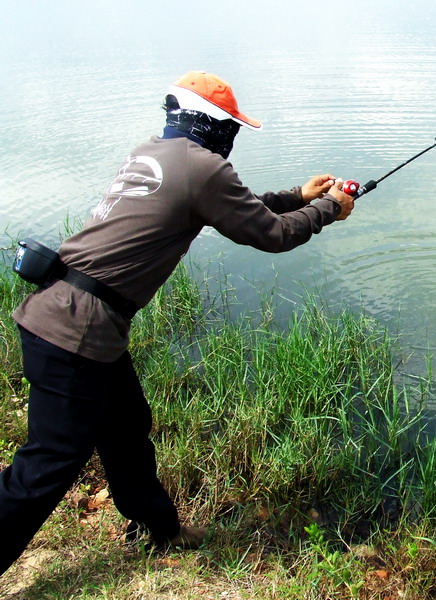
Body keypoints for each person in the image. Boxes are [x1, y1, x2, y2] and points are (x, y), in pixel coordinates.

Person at [0, 70, 355, 575]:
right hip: (75, 331)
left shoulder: (155, 153)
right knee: (48, 464)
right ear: (212, 123)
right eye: (231, 125)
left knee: (125, 430)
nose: (232, 137)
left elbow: (236, 208)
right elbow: (271, 235)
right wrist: (326, 210)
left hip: (70, 314)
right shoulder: (202, 168)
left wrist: (300, 196)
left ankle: (158, 530)